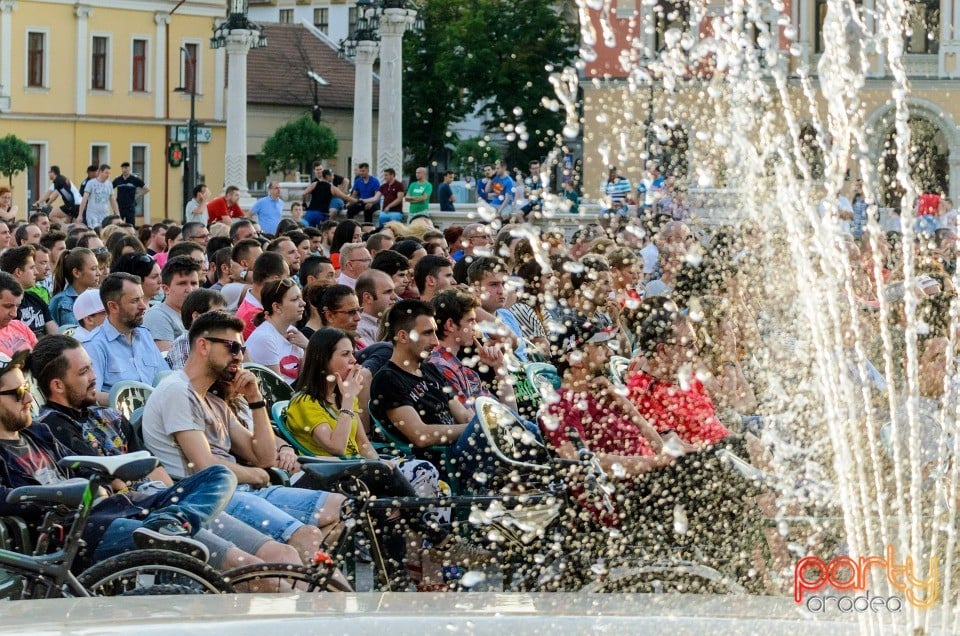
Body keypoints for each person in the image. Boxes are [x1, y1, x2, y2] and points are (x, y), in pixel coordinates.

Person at [28, 335, 303, 573]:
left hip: (168, 506)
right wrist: (157, 500)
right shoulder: (52, 426)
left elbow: (152, 466)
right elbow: (111, 483)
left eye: (91, 368)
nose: (93, 377)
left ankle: (174, 519)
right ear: (57, 386)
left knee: (278, 548)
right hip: (135, 516)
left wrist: (170, 499)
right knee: (257, 570)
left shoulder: (109, 415)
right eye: (83, 372)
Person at [0, 348, 238, 565]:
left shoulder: (38, 433)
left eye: (28, 390)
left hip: (112, 508)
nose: (29, 400)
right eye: (19, 393)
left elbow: (82, 467)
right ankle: (167, 533)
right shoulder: (42, 429)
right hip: (74, 530)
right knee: (188, 548)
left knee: (220, 475)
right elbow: (8, 499)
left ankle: (168, 522)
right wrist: (63, 494)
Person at [142, 310, 346, 563]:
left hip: (242, 490)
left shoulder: (213, 400)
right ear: (203, 346)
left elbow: (264, 456)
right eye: (232, 347)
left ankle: (303, 587)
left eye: (242, 348)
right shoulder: (177, 390)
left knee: (341, 509)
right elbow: (204, 467)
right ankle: (305, 591)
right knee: (306, 535)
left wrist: (255, 398)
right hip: (208, 497)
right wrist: (255, 475)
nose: (239, 356)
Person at [83, 273, 168, 404]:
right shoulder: (94, 345)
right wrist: (131, 401)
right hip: (122, 419)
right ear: (113, 306)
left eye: (142, 298)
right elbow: (91, 394)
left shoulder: (144, 335)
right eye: (134, 301)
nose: (143, 306)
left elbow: (165, 378)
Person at [429, 288, 517, 413]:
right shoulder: (440, 366)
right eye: (470, 321)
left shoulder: (464, 370)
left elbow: (509, 414)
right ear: (450, 325)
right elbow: (474, 421)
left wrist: (500, 368)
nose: (476, 327)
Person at [245, 277, 309, 383]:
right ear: (277, 307)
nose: (303, 303)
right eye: (295, 299)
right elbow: (280, 392)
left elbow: (304, 381)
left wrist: (307, 348)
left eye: (301, 298)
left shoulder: (292, 330)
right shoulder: (265, 338)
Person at [142, 256, 202, 352]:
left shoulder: (199, 314)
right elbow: (169, 361)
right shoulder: (157, 316)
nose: (190, 289)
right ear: (166, 289)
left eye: (194, 283)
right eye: (182, 283)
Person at [1, 246, 55, 339]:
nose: (36, 272)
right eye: (31, 268)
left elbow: (54, 331)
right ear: (18, 272)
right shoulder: (5, 306)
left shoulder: (34, 297)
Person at [166, 289, 227, 370]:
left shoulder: (220, 341)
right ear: (196, 316)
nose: (225, 318)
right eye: (219, 313)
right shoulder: (185, 341)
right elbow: (186, 378)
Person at [49, 248, 100, 326]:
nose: (98, 273)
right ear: (76, 273)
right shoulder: (64, 302)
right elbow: (73, 334)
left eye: (98, 268)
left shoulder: (92, 296)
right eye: (93, 269)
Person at [356, 269, 397, 344]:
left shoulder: (394, 321)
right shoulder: (360, 329)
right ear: (368, 297)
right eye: (388, 292)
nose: (394, 296)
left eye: (393, 291)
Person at [0, 272, 38, 355]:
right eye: (8, 306)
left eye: (17, 306)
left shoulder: (19, 326)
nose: (14, 314)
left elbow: (39, 358)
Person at [78, 164, 119, 229]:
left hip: (105, 215)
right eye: (106, 173)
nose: (108, 175)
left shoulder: (109, 184)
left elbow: (113, 200)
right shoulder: (91, 183)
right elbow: (84, 199)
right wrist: (80, 215)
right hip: (92, 214)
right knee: (95, 232)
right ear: (100, 172)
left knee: (104, 233)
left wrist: (117, 214)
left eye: (109, 173)